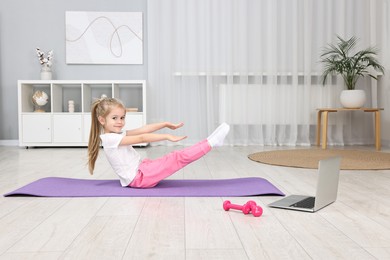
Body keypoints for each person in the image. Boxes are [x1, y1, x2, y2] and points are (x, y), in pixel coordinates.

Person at [88, 97, 230, 188]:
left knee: (176, 156)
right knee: (177, 157)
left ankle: (210, 141)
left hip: (142, 169)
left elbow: (143, 129)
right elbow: (142, 138)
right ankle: (211, 143)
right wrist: (167, 136)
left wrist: (165, 124)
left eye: (122, 117)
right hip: (139, 178)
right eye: (115, 118)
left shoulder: (115, 135)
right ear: (102, 120)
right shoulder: (110, 139)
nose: (120, 122)